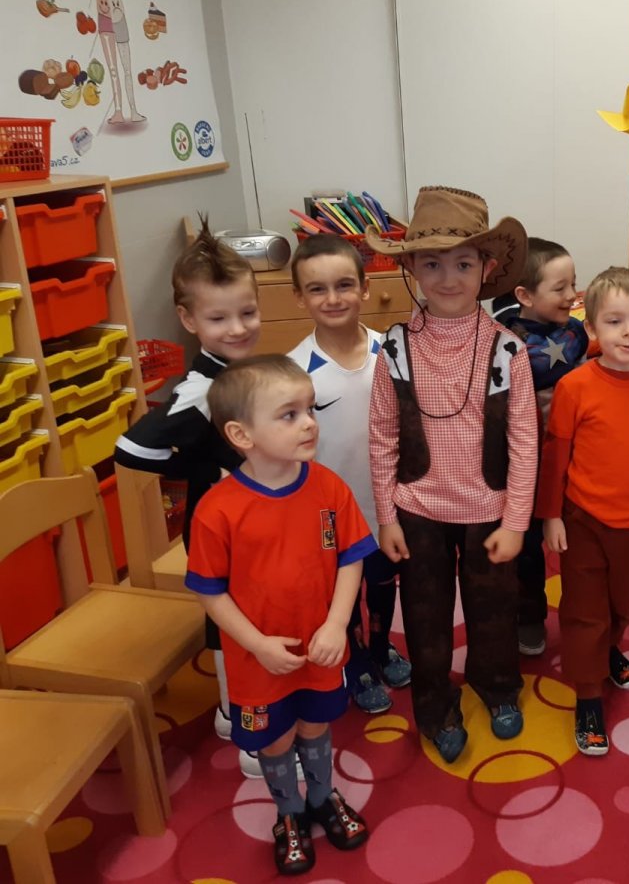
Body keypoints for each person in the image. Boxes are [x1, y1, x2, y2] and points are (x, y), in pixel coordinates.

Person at [366, 187, 537, 763]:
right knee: (425, 617)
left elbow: (524, 443)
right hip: (417, 511)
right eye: (432, 264)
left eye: (463, 264)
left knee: (494, 609)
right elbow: (383, 435)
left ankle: (497, 686)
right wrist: (386, 515)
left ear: (486, 269)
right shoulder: (394, 349)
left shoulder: (508, 351)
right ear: (412, 267)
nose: (447, 278)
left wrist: (516, 522)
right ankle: (436, 708)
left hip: (490, 509)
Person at [185, 355, 373, 876]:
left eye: (309, 409)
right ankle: (289, 813)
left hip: (320, 646)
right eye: (289, 415)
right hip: (258, 661)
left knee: (316, 724)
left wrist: (337, 623)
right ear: (240, 434)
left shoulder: (329, 487)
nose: (309, 423)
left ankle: (323, 796)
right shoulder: (217, 509)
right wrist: (258, 645)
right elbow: (210, 593)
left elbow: (351, 558)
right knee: (276, 737)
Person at [115, 219, 264, 777]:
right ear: (188, 320)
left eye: (247, 312)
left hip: (251, 522)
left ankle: (236, 711)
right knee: (231, 627)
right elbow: (132, 450)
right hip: (219, 526)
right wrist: (201, 467)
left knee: (250, 616)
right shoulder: (204, 387)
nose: (237, 328)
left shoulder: (242, 371)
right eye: (219, 318)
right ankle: (245, 725)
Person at [537, 267, 629, 756]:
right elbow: (556, 455)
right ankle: (588, 695)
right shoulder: (575, 386)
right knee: (584, 610)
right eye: (615, 321)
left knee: (621, 602)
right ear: (592, 328)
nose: (628, 332)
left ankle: (609, 649)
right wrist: (551, 515)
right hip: (581, 519)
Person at [287, 234, 412, 715]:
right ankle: (355, 658)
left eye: (343, 285)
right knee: (340, 590)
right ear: (299, 297)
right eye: (317, 289)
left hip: (386, 504)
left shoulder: (392, 352)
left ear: (364, 287)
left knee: (382, 583)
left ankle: (381, 646)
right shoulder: (295, 371)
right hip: (327, 512)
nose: (333, 298)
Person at [493, 237, 588, 656]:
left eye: (574, 284)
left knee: (582, 532)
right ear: (525, 295)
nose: (571, 295)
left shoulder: (575, 331)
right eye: (560, 288)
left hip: (577, 454)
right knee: (529, 543)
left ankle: (596, 598)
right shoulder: (505, 341)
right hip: (527, 460)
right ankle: (530, 614)